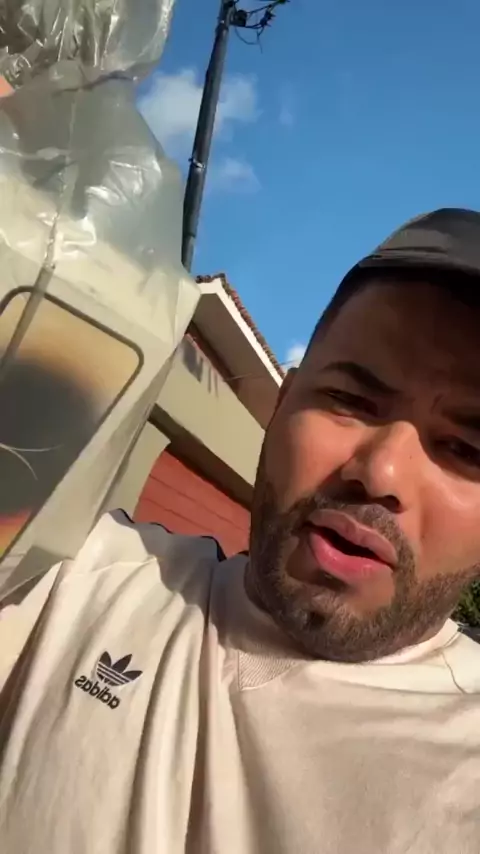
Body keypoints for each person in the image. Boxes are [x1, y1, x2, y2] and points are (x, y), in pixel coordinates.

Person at [1, 207, 480, 854]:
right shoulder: (72, 578)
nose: (380, 473)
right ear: (281, 407)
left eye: (464, 449)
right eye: (351, 400)